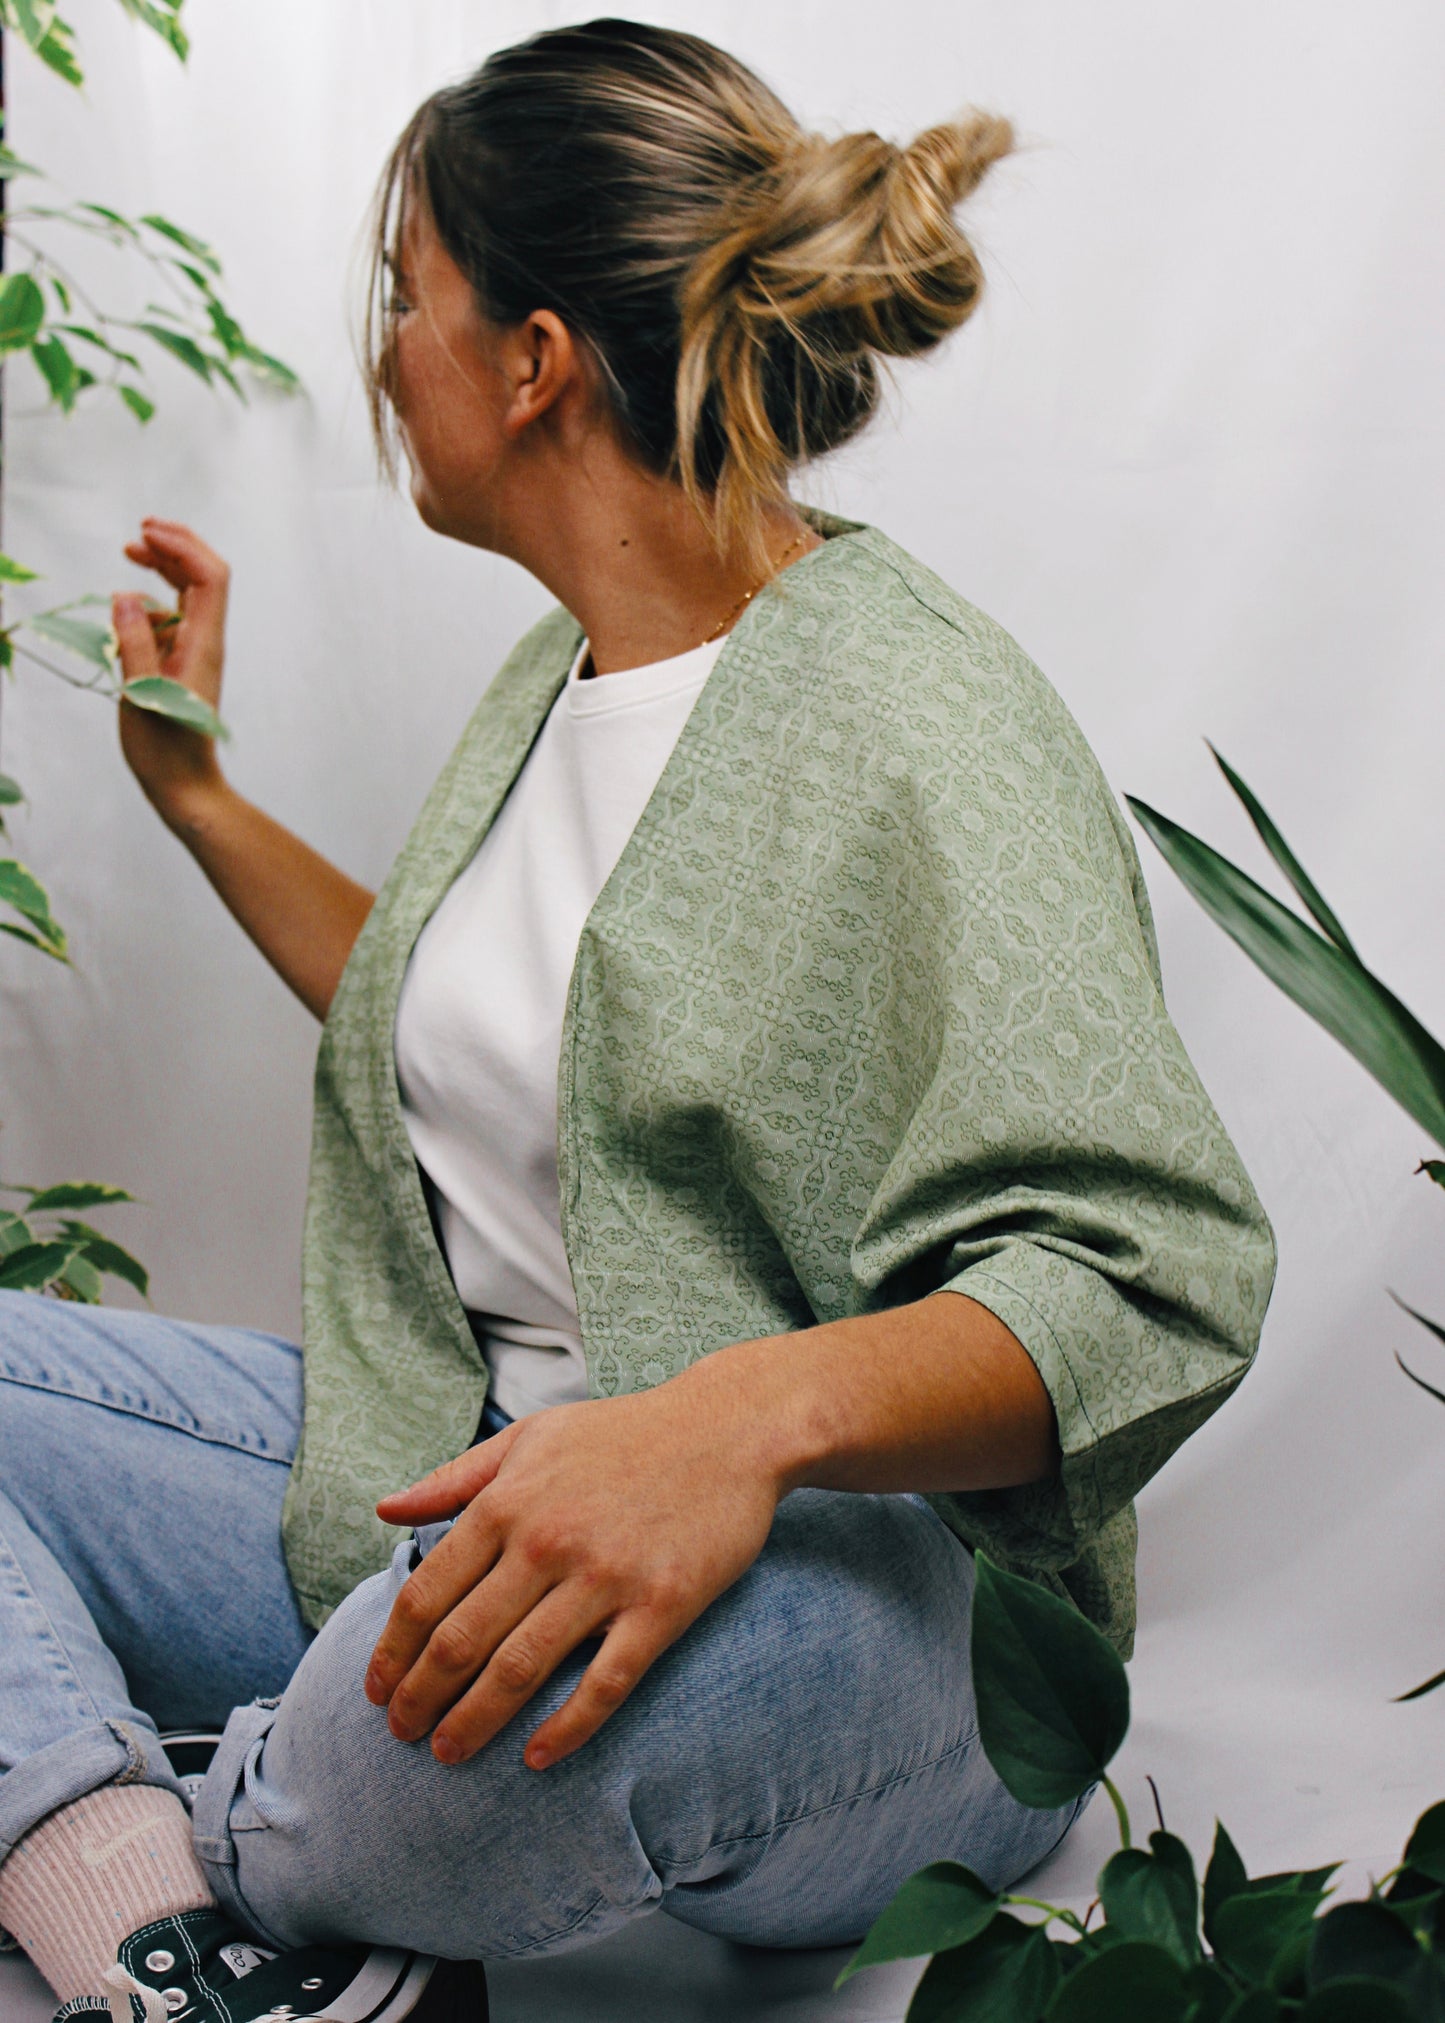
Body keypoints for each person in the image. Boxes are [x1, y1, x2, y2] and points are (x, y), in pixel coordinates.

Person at [0, 18, 1277, 2023]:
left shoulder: (919, 711)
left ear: (529, 360)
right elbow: (512, 1053)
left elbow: (1152, 1274)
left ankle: (152, 1817)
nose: (386, 347)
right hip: (463, 1476)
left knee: (447, 1716)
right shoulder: (558, 681)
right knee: (396, 1646)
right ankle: (184, 1926)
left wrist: (722, 1426)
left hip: (866, 1594)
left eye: (402, 295)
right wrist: (205, 799)